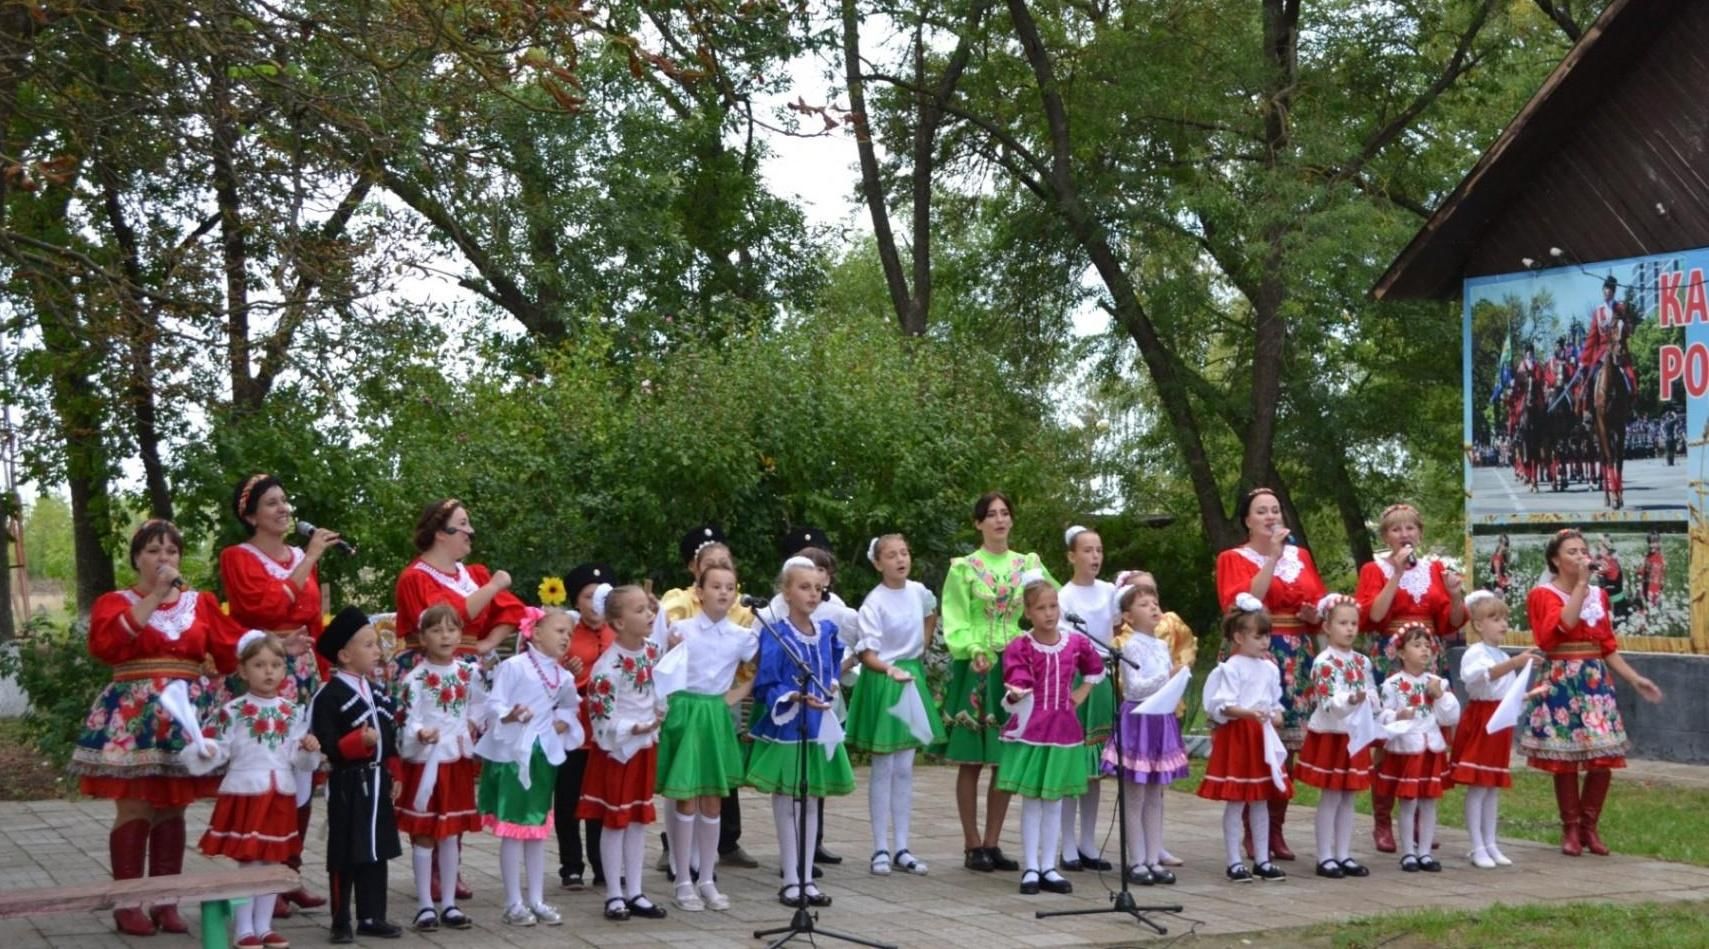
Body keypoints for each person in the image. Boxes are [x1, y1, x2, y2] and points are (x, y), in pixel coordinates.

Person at [68, 519, 246, 936]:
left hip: (184, 715)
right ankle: (128, 901)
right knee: (136, 804)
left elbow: (228, 647)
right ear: (136, 558)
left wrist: (270, 647)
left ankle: (166, 900)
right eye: (153, 550)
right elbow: (106, 645)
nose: (163, 558)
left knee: (173, 804)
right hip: (134, 715)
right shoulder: (114, 602)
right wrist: (156, 597)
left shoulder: (199, 603)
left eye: (171, 551)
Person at [219, 474, 342, 915]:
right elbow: (268, 607)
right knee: (263, 773)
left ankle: (287, 874)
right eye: (272, 503)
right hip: (264, 671)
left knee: (302, 772)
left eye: (285, 501)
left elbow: (309, 617)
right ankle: (257, 877)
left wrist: (327, 673)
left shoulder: (296, 556)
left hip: (304, 670)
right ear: (250, 514)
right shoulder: (238, 557)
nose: (284, 509)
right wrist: (309, 557)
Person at [1522, 529, 1664, 856]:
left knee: (1603, 757)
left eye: (1583, 550)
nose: (1580, 556)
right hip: (1561, 679)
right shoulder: (1543, 594)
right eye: (1572, 552)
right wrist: (1582, 586)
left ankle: (1590, 826)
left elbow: (1606, 646)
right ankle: (1570, 829)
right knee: (1566, 759)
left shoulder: (1599, 596)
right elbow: (1557, 631)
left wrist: (1634, 679)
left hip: (1594, 681)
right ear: (1556, 560)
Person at [940, 491, 1055, 873]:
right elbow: (954, 616)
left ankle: (993, 840)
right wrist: (972, 645)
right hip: (976, 663)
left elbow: (1050, 603)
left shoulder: (1028, 564)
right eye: (991, 515)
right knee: (972, 759)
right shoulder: (964, 567)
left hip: (1016, 662)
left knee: (1006, 758)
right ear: (978, 523)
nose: (1000, 520)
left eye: (1005, 513)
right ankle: (972, 843)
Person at [185, 632, 322, 949]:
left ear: (284, 670)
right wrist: (206, 750)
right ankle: (243, 929)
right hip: (246, 793)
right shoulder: (232, 711)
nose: (269, 671)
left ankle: (264, 926)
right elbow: (218, 750)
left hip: (280, 795)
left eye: (276, 664)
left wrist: (309, 748)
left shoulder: (292, 712)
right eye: (259, 665)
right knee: (249, 862)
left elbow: (299, 760)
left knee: (274, 861)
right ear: (243, 670)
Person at [1213, 487, 1323, 862]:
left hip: (1296, 655)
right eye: (1262, 512)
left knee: (1286, 744)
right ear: (1247, 519)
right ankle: (1249, 829)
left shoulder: (1302, 556)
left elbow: (1319, 602)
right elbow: (1242, 604)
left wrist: (1314, 615)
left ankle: (1274, 829)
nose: (1271, 517)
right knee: (1252, 740)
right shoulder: (1233, 558)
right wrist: (1272, 559)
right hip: (1255, 649)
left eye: (1275, 510)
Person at [1354, 503, 1466, 854]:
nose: (1404, 535)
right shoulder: (1375, 569)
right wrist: (1397, 575)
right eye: (1395, 530)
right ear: (1385, 536)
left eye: (1410, 529)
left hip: (1427, 656)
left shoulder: (1434, 569)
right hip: (1391, 657)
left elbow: (1452, 622)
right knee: (1391, 740)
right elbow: (1372, 614)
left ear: (1420, 532)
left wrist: (1454, 593)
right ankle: (1383, 821)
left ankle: (1418, 819)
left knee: (1425, 735)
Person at [746, 556, 856, 909]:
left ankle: (807, 877)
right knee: (786, 798)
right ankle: (790, 877)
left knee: (810, 800)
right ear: (786, 591)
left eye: (818, 588)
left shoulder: (825, 631)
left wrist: (833, 684)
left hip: (818, 723)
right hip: (790, 724)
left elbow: (834, 663)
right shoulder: (777, 633)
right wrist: (792, 695)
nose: (812, 594)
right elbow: (767, 682)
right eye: (804, 587)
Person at [651, 526, 760, 874]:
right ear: (698, 589)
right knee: (684, 793)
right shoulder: (682, 629)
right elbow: (660, 665)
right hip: (685, 711)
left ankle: (708, 875)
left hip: (715, 713)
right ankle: (683, 873)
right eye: (715, 586)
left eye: (730, 587)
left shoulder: (743, 635)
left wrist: (738, 693)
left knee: (713, 798)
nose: (724, 593)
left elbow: (763, 667)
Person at [995, 580, 1103, 897]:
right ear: (1028, 613)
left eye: (1053, 606)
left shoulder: (1075, 643)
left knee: (1055, 799)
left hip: (1064, 731)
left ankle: (1049, 866)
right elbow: (1018, 684)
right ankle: (1030, 866)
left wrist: (1082, 691)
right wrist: (1015, 696)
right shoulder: (1022, 646)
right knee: (1033, 799)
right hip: (1033, 730)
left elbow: (1095, 668)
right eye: (1040, 608)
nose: (1049, 613)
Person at [475, 608, 581, 927]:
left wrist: (562, 723)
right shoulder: (514, 667)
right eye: (560, 630)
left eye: (570, 634)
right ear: (536, 633)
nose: (566, 637)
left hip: (542, 756)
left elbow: (569, 706)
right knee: (514, 827)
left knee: (536, 828)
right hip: (514, 754)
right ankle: (513, 901)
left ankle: (535, 898)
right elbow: (494, 704)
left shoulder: (562, 676)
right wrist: (509, 715)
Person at [847, 534, 944, 877]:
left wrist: (924, 639)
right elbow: (866, 652)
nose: (900, 560)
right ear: (878, 563)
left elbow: (932, 610)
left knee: (905, 767)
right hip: (885, 680)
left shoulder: (917, 591)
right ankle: (879, 848)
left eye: (904, 552)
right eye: (891, 555)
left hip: (910, 675)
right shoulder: (874, 602)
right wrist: (889, 668)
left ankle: (902, 845)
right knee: (884, 766)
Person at [309, 606, 403, 942]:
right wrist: (356, 743)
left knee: (376, 850)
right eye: (368, 645)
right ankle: (340, 919)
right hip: (348, 783)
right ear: (345, 655)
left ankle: (372, 914)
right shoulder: (329, 695)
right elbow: (326, 742)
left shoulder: (374, 690)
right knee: (346, 851)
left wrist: (394, 771)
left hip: (378, 781)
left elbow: (388, 735)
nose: (377, 650)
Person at [580, 585, 669, 921]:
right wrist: (632, 729)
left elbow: (662, 688)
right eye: (639, 610)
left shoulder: (653, 653)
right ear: (617, 622)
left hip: (644, 747)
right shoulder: (608, 666)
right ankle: (614, 894)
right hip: (618, 752)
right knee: (615, 821)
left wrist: (658, 715)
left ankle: (636, 890)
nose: (648, 615)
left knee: (637, 819)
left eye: (648, 608)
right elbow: (601, 716)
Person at [394, 605, 482, 931]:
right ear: (422, 637)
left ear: (460, 634)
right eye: (436, 630)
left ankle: (449, 903)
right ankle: (425, 905)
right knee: (424, 833)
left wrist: (471, 724)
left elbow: (479, 703)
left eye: (451, 629)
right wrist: (420, 733)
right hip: (426, 761)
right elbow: (407, 717)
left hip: (455, 760)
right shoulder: (415, 678)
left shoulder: (468, 672)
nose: (445, 636)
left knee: (450, 833)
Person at [1198, 597, 1288, 883]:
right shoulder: (1231, 667)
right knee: (1237, 800)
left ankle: (1262, 858)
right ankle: (1234, 860)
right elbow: (1223, 705)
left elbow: (1277, 706)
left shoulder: (1270, 669)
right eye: (1258, 636)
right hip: (1239, 736)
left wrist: (1274, 716)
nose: (1265, 642)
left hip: (1261, 736)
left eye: (1267, 636)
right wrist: (1249, 713)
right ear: (1239, 637)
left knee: (1261, 798)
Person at [1102, 584, 1187, 886]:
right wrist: (1168, 678)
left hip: (1159, 720)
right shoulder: (1130, 646)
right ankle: (1136, 860)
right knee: (1135, 793)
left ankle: (1153, 858)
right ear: (1127, 616)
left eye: (1155, 602)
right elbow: (1134, 688)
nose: (1153, 608)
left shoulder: (1162, 646)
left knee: (1155, 794)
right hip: (1138, 721)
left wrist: (1176, 682)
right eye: (1143, 604)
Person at [1453, 592, 1543, 869]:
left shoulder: (1502, 654)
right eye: (1495, 618)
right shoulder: (1476, 653)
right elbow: (1480, 677)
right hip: (1482, 721)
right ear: (1478, 625)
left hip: (1499, 721)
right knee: (1479, 785)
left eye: (1505, 618)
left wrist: (1530, 694)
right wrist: (1517, 662)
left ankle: (1491, 842)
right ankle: (1477, 845)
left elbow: (1507, 695)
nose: (1503, 624)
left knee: (1492, 786)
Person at [1292, 594, 1377, 880]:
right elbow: (1329, 703)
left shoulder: (1362, 661)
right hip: (1332, 734)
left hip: (1354, 735)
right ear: (1327, 627)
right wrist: (1353, 699)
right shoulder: (1324, 662)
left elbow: (1373, 693)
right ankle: (1324, 855)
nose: (1350, 629)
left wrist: (1371, 702)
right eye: (1343, 623)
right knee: (1331, 796)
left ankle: (1344, 853)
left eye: (1353, 623)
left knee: (1349, 797)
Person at [1055, 525, 1116, 873]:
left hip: (1103, 678)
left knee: (1095, 769)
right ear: (1072, 556)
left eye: (1099, 550)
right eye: (1087, 550)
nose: (1094, 556)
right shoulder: (1064, 597)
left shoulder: (1109, 592)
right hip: (1077, 680)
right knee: (1074, 764)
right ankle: (1067, 844)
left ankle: (1089, 841)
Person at [1376, 624, 1461, 873]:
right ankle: (1408, 852)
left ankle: (1425, 851)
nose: (1424, 650)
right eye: (1416, 645)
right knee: (1408, 800)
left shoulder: (1436, 682)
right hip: (1406, 749)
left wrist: (1440, 696)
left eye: (1427, 646)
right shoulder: (1393, 684)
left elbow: (1451, 716)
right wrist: (1397, 715)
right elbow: (1382, 716)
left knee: (1428, 801)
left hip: (1430, 748)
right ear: (1401, 653)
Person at [555, 563, 615, 890]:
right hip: (573, 730)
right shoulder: (565, 631)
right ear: (577, 601)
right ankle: (571, 866)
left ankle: (602, 864)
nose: (595, 603)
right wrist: (567, 670)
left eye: (600, 596)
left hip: (606, 732)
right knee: (567, 800)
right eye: (588, 596)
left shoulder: (617, 630)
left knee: (599, 800)